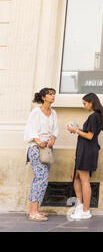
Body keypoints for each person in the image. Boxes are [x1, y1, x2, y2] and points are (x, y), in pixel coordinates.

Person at [67, 93, 103, 220]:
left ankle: (85, 210)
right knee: (75, 176)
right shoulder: (95, 116)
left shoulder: (94, 116)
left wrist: (75, 130)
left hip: (87, 151)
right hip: (84, 150)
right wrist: (77, 129)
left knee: (84, 179)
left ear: (91, 102)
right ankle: (80, 204)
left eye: (85, 103)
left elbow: (90, 136)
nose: (84, 106)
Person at [24, 88, 58, 222]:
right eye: (50, 94)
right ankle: (33, 212)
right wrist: (38, 140)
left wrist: (52, 139)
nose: (53, 96)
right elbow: (29, 128)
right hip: (35, 148)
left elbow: (55, 130)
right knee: (41, 178)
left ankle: (33, 210)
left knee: (40, 178)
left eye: (54, 94)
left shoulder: (53, 113)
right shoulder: (36, 112)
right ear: (43, 97)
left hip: (48, 150)